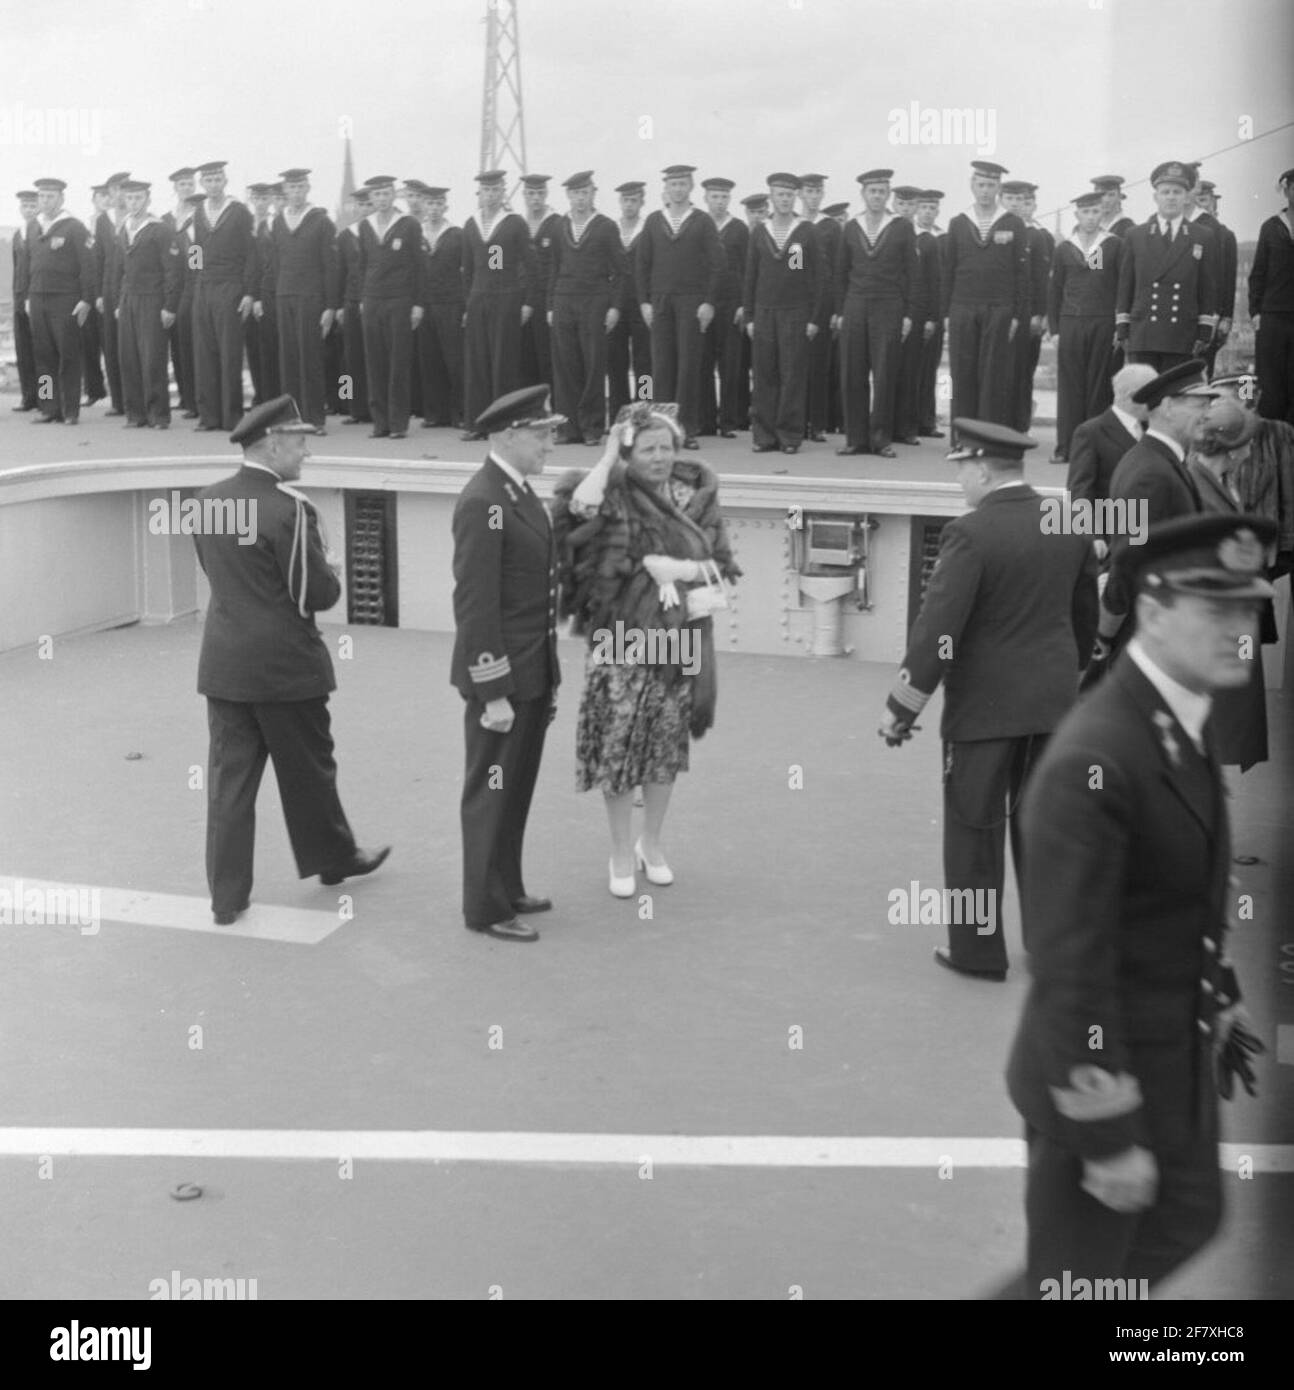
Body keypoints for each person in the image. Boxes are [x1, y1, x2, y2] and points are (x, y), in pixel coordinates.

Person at [1002, 512, 1275, 1299]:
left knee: (1187, 1219)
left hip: (1172, 1051)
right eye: (1216, 610)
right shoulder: (1097, 757)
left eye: (1246, 610)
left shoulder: (1174, 720)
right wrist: (1104, 1136)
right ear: (1152, 613)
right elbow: (1068, 964)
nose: (1239, 631)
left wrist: (1217, 993)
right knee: (1082, 1285)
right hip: (1103, 1073)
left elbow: (1164, 893)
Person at [879, 419, 1098, 980]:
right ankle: (1053, 949)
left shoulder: (969, 534)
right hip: (1052, 705)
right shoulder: (1066, 523)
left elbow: (938, 634)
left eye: (960, 472)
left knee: (975, 830)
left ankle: (977, 953)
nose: (959, 484)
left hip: (984, 713)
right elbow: (1083, 619)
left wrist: (903, 708)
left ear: (980, 469)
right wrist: (1065, 681)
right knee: (1045, 828)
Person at [193, 395, 390, 926]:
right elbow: (316, 595)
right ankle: (333, 859)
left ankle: (227, 899)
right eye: (299, 442)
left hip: (226, 666)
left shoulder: (207, 501)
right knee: (309, 772)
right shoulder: (292, 510)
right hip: (286, 669)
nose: (306, 452)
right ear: (273, 444)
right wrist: (333, 566)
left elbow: (219, 577)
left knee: (229, 786)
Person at [551, 402, 741, 896]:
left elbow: (722, 566)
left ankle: (650, 844)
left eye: (666, 448)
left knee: (663, 749)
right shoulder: (612, 488)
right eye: (647, 448)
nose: (658, 457)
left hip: (678, 640)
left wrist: (682, 570)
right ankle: (619, 850)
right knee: (619, 748)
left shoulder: (696, 494)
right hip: (621, 639)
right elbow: (578, 511)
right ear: (631, 452)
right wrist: (610, 450)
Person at [450, 385, 564, 943]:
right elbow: (476, 605)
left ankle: (508, 884)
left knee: (514, 788)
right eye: (541, 433)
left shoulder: (516, 493)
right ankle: (485, 907)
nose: (551, 442)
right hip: (501, 679)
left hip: (530, 672)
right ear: (506, 435)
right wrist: (492, 691)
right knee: (492, 788)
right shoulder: (485, 502)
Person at [1090, 361, 1218, 677]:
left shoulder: (1156, 461)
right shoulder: (1152, 473)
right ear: (1168, 408)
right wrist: (1104, 635)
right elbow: (1125, 562)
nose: (1207, 414)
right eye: (1199, 404)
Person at [1187, 398, 1274, 772]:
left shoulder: (1217, 481)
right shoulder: (1198, 488)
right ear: (1232, 448)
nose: (1253, 449)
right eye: (1248, 442)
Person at [635, 165, 725, 447]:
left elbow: (718, 265)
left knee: (689, 366)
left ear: (690, 187)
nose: (677, 189)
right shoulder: (653, 221)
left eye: (682, 184)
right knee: (661, 366)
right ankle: (662, 428)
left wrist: (709, 302)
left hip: (691, 301)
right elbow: (641, 265)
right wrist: (644, 302)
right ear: (666, 188)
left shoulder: (702, 221)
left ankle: (687, 429)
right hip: (660, 301)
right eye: (673, 184)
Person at [941, 161, 1028, 440]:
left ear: (998, 188)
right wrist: (946, 311)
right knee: (962, 373)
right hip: (963, 306)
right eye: (981, 184)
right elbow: (948, 269)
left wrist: (1017, 314)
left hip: (999, 307)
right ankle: (962, 438)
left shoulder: (1013, 223)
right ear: (972, 185)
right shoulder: (958, 222)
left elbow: (1021, 273)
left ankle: (988, 439)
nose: (986, 191)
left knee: (993, 377)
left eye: (991, 185)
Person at [833, 169, 916, 458]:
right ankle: (855, 438)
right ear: (863, 194)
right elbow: (841, 272)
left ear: (888, 194)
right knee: (852, 373)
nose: (877, 196)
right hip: (855, 305)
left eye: (882, 191)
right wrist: (840, 310)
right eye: (872, 191)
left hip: (888, 305)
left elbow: (912, 274)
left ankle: (881, 439)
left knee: (883, 374)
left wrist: (908, 314)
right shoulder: (851, 227)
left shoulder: (901, 226)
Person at [742, 173, 825, 455]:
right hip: (765, 313)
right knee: (765, 374)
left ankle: (789, 436)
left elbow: (814, 277)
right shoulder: (760, 231)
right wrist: (750, 316)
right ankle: (764, 436)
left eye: (790, 195)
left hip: (795, 313)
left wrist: (813, 317)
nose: (785, 200)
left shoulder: (805, 231)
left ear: (796, 198)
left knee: (792, 375)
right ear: (772, 198)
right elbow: (750, 276)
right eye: (780, 195)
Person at [1115, 161, 1217, 373]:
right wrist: (1122, 327)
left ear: (1187, 197)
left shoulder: (1202, 236)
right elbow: (1125, 285)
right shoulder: (1136, 235)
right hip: (1144, 332)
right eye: (1166, 192)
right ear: (1156, 197)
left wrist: (1204, 330)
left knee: (1176, 398)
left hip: (1181, 333)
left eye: (1177, 192)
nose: (1171, 197)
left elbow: (1207, 288)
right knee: (1144, 399)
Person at [547, 171, 625, 446]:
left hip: (595, 300)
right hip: (564, 300)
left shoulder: (605, 226)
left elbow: (621, 271)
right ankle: (568, 428)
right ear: (568, 196)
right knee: (566, 366)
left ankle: (592, 427)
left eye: (586, 193)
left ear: (594, 194)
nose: (581, 199)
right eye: (576, 193)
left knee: (593, 365)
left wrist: (614, 307)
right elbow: (553, 268)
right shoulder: (558, 226)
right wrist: (550, 305)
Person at [261, 168, 340, 434]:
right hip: (284, 295)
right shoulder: (277, 222)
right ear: (284, 192)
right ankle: (291, 416)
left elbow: (331, 266)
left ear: (307, 189)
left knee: (311, 357)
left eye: (299, 187)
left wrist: (331, 305)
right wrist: (266, 297)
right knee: (289, 358)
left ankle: (315, 417)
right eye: (290, 188)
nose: (295, 193)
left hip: (311, 296)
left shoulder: (321, 222)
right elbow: (272, 263)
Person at [460, 170, 537, 438]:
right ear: (479, 194)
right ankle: (476, 423)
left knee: (503, 362)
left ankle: (502, 423)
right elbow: (467, 270)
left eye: (495, 190)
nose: (490, 196)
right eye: (486, 191)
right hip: (479, 298)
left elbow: (531, 266)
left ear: (503, 192)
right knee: (477, 362)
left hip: (506, 297)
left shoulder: (514, 223)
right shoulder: (471, 225)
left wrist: (528, 302)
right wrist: (468, 304)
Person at [1048, 191, 1123, 462]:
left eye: (1096, 212)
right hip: (1071, 323)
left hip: (1102, 321)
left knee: (1098, 387)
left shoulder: (1112, 245)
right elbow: (1054, 291)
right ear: (1077, 215)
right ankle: (1065, 446)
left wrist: (1118, 325)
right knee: (1070, 387)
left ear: (1101, 214)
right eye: (1086, 212)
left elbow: (1121, 287)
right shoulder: (1064, 248)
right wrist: (1054, 330)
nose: (1091, 218)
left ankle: (1093, 450)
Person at [356, 174, 425, 439]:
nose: (381, 199)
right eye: (376, 195)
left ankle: (398, 423)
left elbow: (419, 266)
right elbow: (361, 266)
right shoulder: (365, 226)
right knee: (375, 362)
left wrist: (418, 304)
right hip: (373, 300)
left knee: (398, 362)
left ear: (394, 195)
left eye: (386, 194)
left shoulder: (407, 225)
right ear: (371, 198)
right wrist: (363, 298)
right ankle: (380, 421)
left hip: (400, 299)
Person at [111, 180, 183, 429]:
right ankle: (136, 414)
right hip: (128, 299)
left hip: (153, 300)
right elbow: (120, 270)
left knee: (153, 358)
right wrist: (119, 301)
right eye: (129, 198)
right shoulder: (123, 229)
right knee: (128, 357)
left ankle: (159, 415)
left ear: (148, 200)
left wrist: (170, 306)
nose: (134, 203)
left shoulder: (160, 230)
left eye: (138, 198)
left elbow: (173, 270)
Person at [1066, 363, 1156, 561]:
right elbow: (1080, 489)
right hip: (1112, 539)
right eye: (1153, 393)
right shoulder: (1092, 432)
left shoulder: (1150, 429)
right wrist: (1092, 535)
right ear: (1133, 396)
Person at [191, 161, 256, 431]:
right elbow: (196, 250)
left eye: (218, 180)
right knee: (204, 353)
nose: (213, 185)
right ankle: (209, 416)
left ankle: (232, 416)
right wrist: (196, 281)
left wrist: (249, 293)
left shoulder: (239, 212)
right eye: (208, 181)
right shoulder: (199, 212)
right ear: (202, 185)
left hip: (231, 286)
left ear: (225, 181)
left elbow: (252, 253)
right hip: (205, 286)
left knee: (229, 353)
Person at [25, 177, 96, 426]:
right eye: (42, 197)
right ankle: (48, 407)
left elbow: (88, 266)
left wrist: (86, 299)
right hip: (37, 298)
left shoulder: (74, 226)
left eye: (50, 197)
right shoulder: (34, 227)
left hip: (65, 299)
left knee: (68, 355)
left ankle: (69, 409)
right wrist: (26, 296)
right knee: (43, 357)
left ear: (61, 198)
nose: (45, 201)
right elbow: (26, 265)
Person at [697, 176, 748, 439]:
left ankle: (728, 422)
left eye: (723, 197)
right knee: (703, 363)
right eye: (714, 196)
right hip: (705, 303)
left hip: (730, 304)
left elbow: (748, 270)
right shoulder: (698, 225)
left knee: (730, 365)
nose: (719, 202)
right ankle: (706, 421)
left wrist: (743, 304)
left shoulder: (739, 229)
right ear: (706, 198)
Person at [415, 186, 465, 428]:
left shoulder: (457, 234)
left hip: (451, 303)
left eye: (438, 205)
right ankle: (435, 413)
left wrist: (466, 305)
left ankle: (459, 412)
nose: (433, 209)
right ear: (423, 207)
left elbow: (470, 268)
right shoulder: (416, 234)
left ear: (445, 207)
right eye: (429, 204)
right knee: (429, 359)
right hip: (424, 304)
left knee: (454, 360)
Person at [1248, 168, 1294, 426]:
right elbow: (1258, 273)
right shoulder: (1271, 227)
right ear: (1286, 191)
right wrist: (1256, 313)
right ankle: (1272, 443)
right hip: (1273, 317)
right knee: (1271, 385)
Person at [798, 174, 841, 442]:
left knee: (819, 366)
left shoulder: (831, 228)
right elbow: (794, 266)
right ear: (801, 194)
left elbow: (837, 270)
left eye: (817, 192)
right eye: (809, 192)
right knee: (795, 367)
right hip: (798, 303)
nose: (813, 197)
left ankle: (817, 423)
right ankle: (797, 420)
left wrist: (835, 308)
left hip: (823, 303)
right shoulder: (796, 227)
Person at [606, 181, 652, 421]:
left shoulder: (648, 228)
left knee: (645, 362)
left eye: (634, 200)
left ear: (641, 202)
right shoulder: (611, 228)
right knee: (616, 362)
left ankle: (643, 409)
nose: (629, 205)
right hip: (615, 304)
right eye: (625, 200)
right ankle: (618, 413)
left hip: (640, 302)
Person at [1188, 180, 1237, 378]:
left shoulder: (1220, 234)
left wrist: (1225, 315)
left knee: (1199, 371)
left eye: (1204, 200)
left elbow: (1224, 278)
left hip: (1206, 314)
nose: (1201, 205)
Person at [162, 169, 199, 418]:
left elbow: (196, 257)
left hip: (192, 285)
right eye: (182, 184)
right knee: (177, 345)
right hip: (170, 286)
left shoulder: (201, 216)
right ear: (174, 188)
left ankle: (197, 399)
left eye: (189, 184)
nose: (186, 188)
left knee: (192, 344)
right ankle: (185, 397)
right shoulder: (166, 219)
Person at [520, 174, 562, 390]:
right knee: (524, 359)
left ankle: (553, 409)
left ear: (545, 194)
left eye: (539, 193)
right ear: (524, 195)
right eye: (530, 193)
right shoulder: (515, 223)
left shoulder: (557, 223)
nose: (535, 198)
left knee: (548, 357)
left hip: (547, 298)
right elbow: (497, 262)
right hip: (520, 299)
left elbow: (562, 264)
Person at [336, 187, 372, 425]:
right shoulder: (345, 235)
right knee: (351, 357)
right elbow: (339, 272)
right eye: (361, 205)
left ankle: (375, 406)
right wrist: (338, 304)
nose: (365, 209)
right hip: (350, 300)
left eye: (368, 204)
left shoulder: (377, 234)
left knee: (375, 356)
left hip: (374, 301)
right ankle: (351, 406)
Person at [913, 190, 946, 438]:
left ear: (937, 211)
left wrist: (936, 316)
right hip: (912, 312)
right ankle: (908, 420)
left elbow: (942, 281)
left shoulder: (943, 239)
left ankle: (927, 421)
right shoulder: (909, 237)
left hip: (934, 311)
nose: (927, 212)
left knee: (929, 370)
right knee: (910, 369)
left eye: (931, 208)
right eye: (923, 207)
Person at [10, 190, 40, 412]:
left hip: (38, 300)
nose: (29, 210)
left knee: (43, 355)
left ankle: (46, 397)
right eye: (25, 206)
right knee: (24, 353)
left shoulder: (41, 231)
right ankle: (28, 397)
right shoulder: (17, 234)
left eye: (32, 206)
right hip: (20, 299)